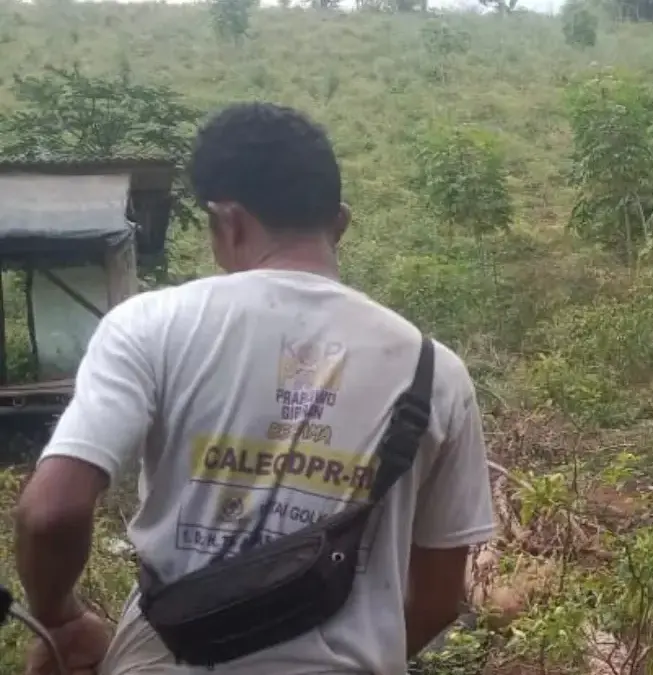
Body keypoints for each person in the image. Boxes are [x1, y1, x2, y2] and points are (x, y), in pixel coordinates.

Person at [14, 102, 496, 674]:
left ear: (228, 221)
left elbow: (51, 513)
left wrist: (62, 620)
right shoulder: (435, 371)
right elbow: (438, 599)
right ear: (340, 223)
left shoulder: (150, 325)